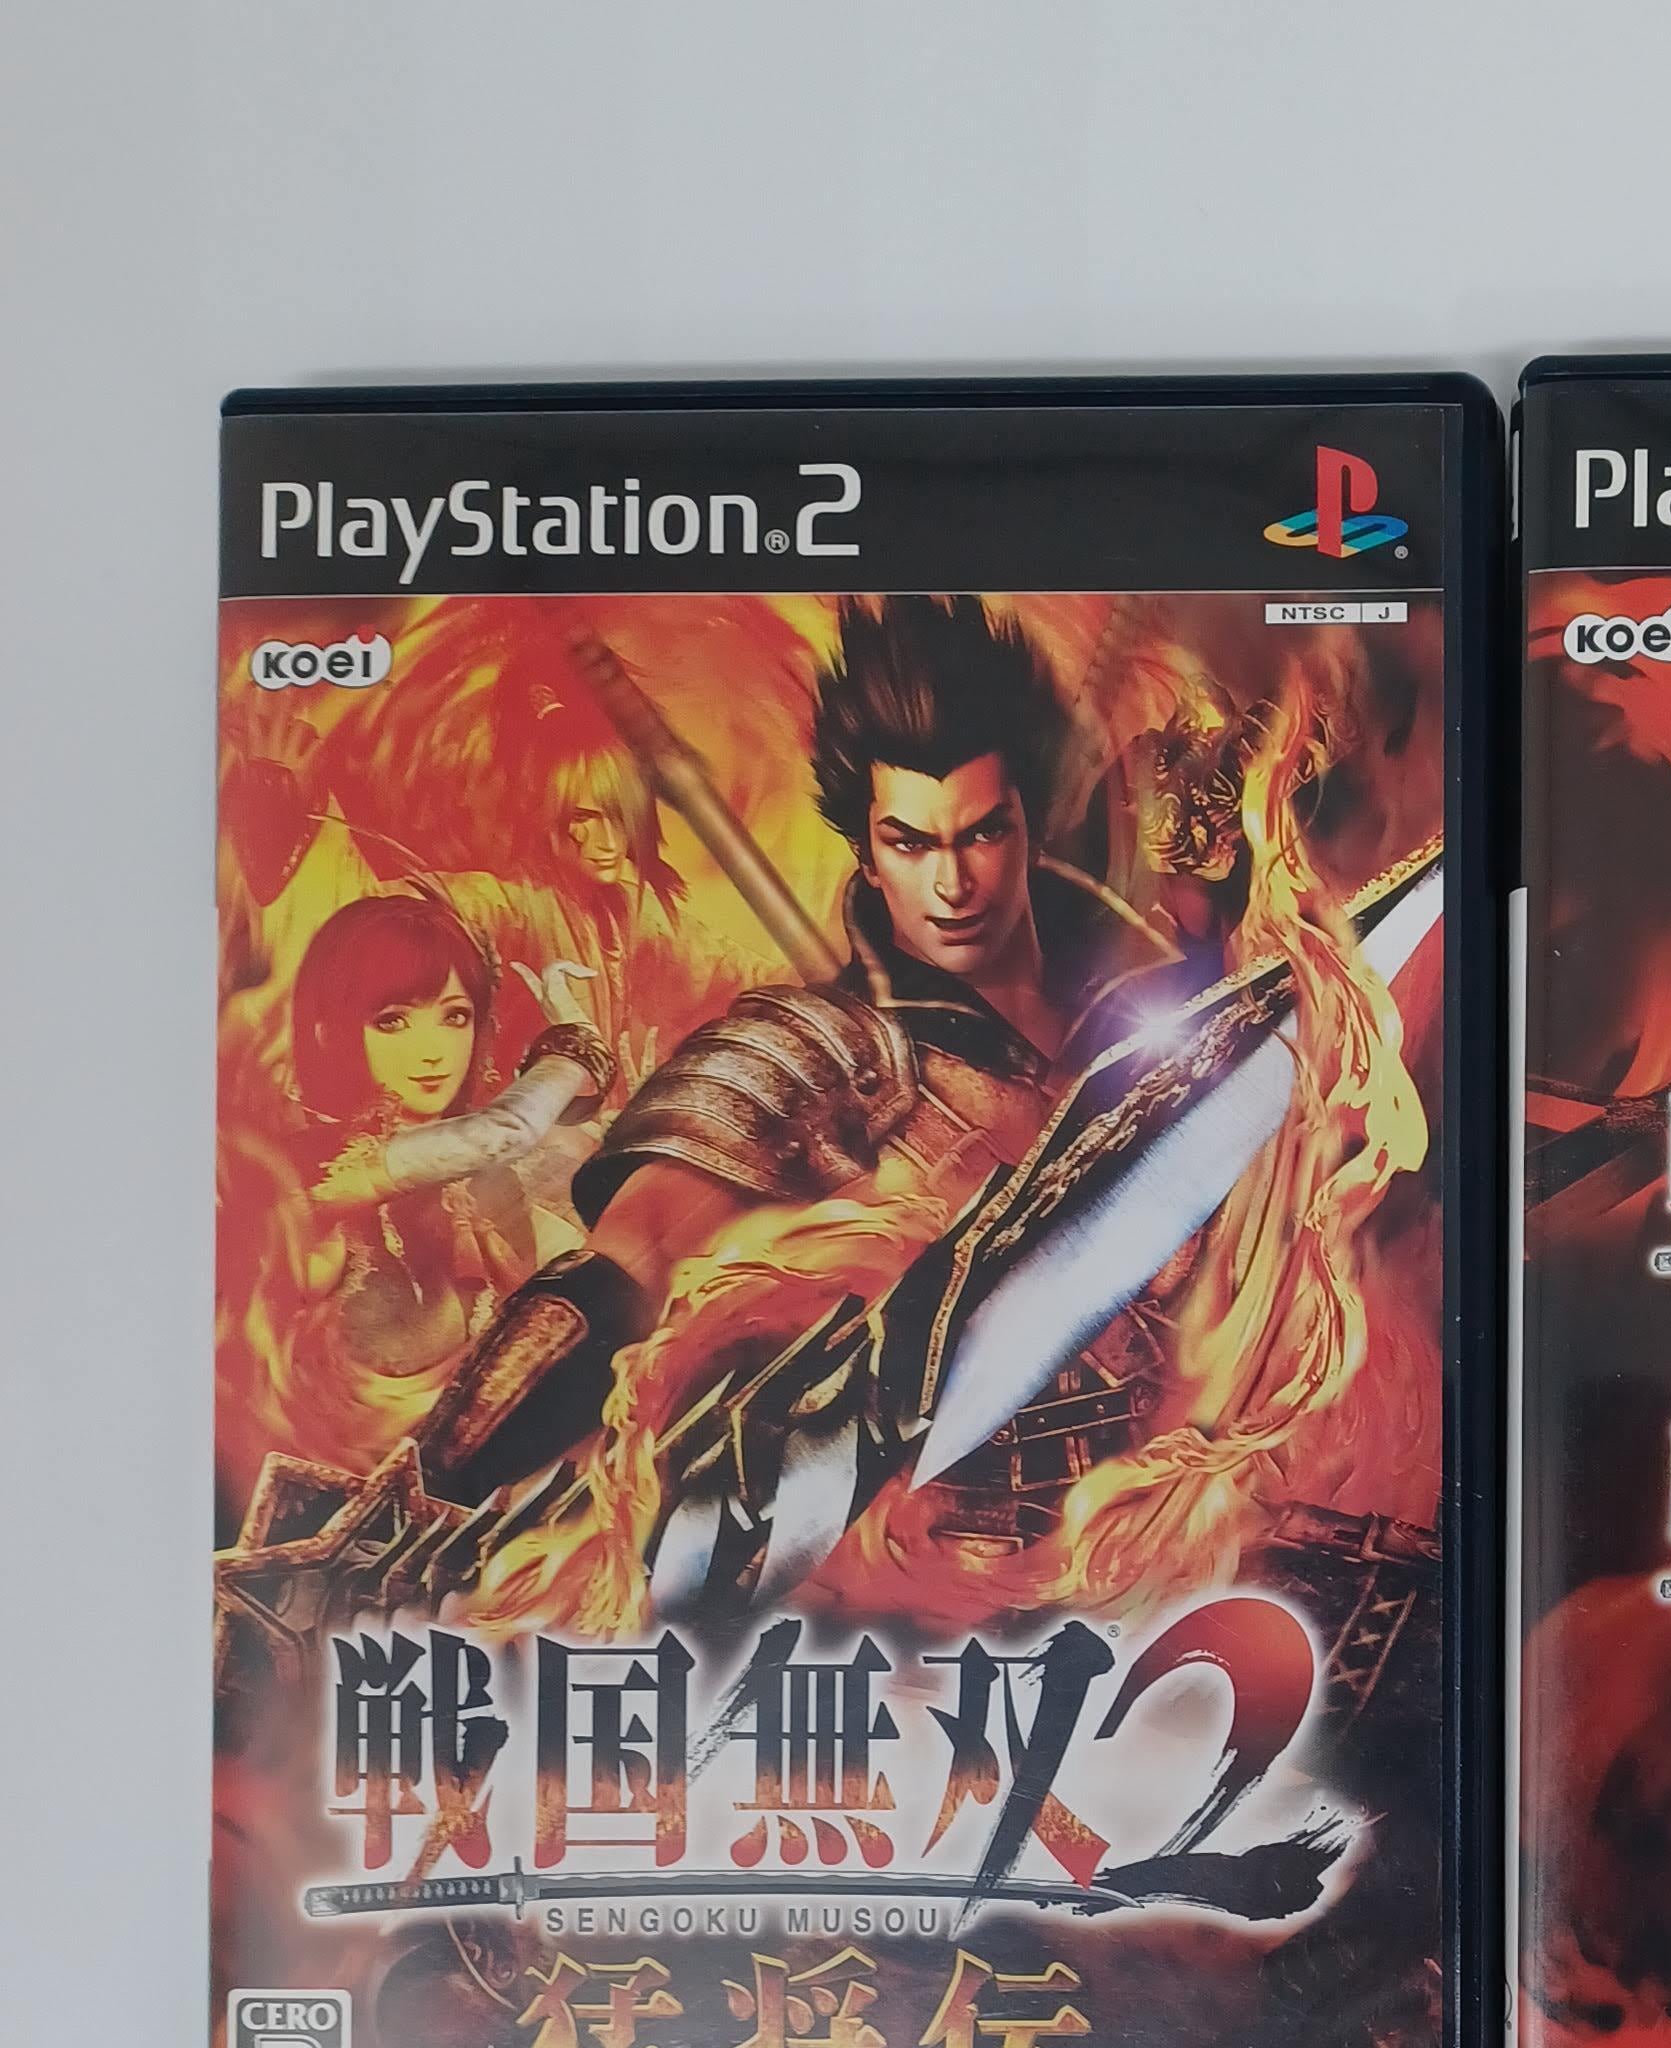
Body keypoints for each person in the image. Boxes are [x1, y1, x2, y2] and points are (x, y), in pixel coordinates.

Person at [407, 595, 1198, 1531]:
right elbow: (624, 1266)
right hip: (949, 1545)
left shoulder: (1162, 1004)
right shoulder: (822, 1050)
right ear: (866, 853)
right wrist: (442, 1473)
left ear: (1030, 824)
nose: (952, 885)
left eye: (982, 833)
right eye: (910, 843)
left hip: (1185, 1493)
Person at [281, 893, 611, 1381]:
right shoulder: (309, 1172)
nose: (433, 1051)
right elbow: (503, 1131)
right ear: (327, 1030)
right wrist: (575, 1051)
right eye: (392, 1021)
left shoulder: (485, 1186)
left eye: (455, 1016)